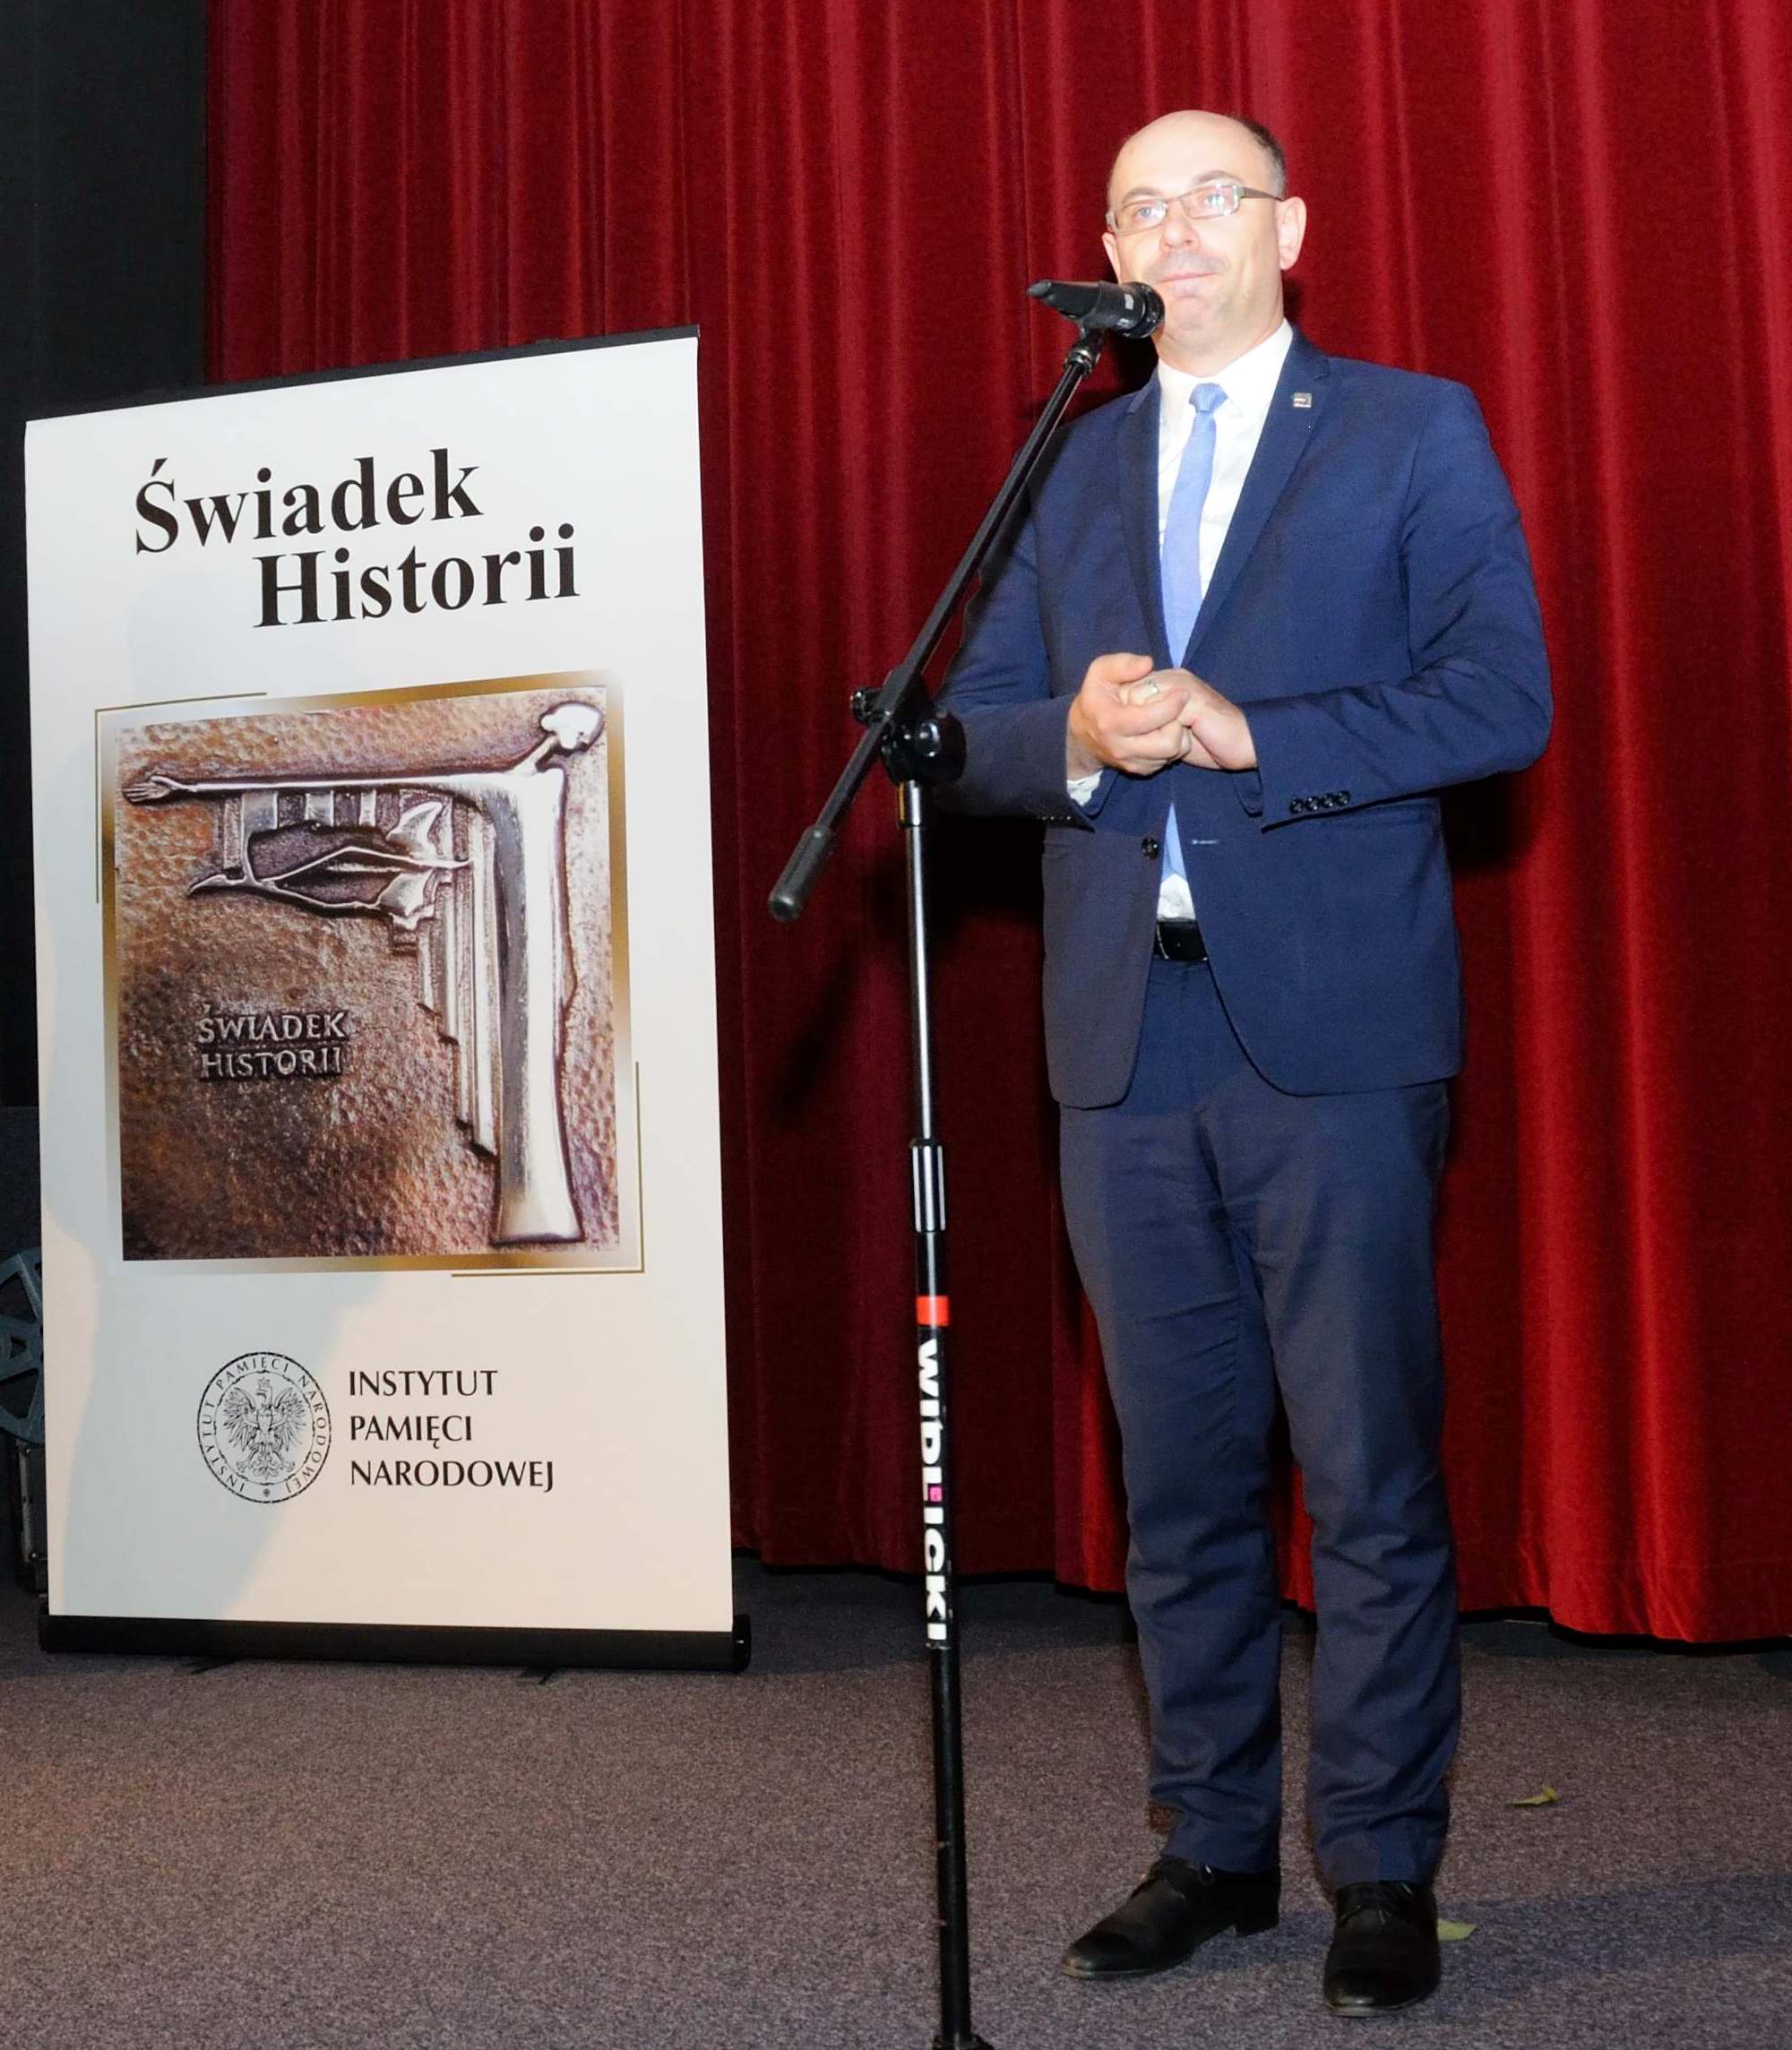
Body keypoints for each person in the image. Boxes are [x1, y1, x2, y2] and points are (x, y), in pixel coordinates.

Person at [939, 109, 1550, 2014]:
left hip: (1335, 1036)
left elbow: (1499, 696)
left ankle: (1379, 1864)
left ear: (1290, 227)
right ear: (1112, 253)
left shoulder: (1409, 429)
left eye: (1212, 195)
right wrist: (1078, 734)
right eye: (1139, 206)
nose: (1174, 228)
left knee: (1364, 1475)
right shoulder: (1070, 457)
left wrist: (1245, 727)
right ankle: (1208, 1846)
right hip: (1126, 1036)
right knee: (1181, 1479)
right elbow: (967, 727)